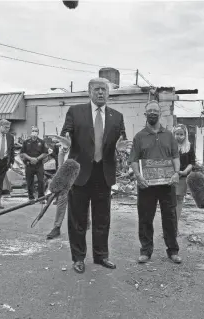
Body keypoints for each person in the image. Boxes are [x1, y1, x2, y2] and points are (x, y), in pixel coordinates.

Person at [60, 77, 130, 274]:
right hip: (80, 174)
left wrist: (120, 148)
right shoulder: (75, 111)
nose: (101, 93)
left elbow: (121, 140)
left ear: (108, 93)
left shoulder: (117, 116)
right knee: (78, 219)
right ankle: (79, 257)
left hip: (103, 174)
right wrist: (65, 139)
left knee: (102, 218)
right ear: (89, 91)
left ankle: (101, 256)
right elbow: (67, 132)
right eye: (97, 89)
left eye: (104, 90)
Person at [129, 100, 182, 264]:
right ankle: (145, 251)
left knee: (170, 218)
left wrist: (176, 173)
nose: (152, 113)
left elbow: (175, 157)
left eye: (155, 110)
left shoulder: (169, 135)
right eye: (149, 111)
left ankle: (173, 251)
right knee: (145, 218)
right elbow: (133, 160)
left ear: (159, 114)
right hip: (146, 185)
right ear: (145, 115)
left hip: (167, 185)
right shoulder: (139, 137)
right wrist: (138, 176)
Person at [46, 142, 91, 240]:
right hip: (66, 181)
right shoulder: (62, 151)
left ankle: (86, 222)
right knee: (62, 201)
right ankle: (56, 227)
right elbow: (60, 168)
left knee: (83, 199)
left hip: (81, 176)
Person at [172, 124, 195, 234]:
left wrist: (185, 171)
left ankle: (175, 225)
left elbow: (192, 163)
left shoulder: (189, 146)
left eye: (181, 134)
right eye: (177, 134)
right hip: (171, 177)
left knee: (179, 200)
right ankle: (169, 226)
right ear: (173, 134)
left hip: (183, 177)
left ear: (185, 135)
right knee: (170, 201)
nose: (179, 136)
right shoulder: (170, 146)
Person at [20, 126, 48, 202]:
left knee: (41, 181)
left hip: (39, 164)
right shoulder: (26, 142)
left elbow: (45, 153)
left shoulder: (42, 142)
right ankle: (31, 198)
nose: (34, 132)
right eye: (33, 131)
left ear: (38, 133)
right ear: (31, 132)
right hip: (29, 164)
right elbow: (22, 153)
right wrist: (30, 159)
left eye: (36, 131)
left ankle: (41, 198)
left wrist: (37, 159)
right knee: (29, 182)